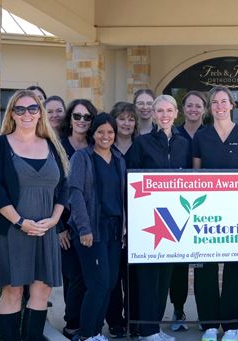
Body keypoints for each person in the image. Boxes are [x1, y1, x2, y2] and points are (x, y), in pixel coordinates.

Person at [0, 89, 69, 341]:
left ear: (40, 113)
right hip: (11, 230)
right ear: (11, 113)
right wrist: (21, 222)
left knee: (41, 291)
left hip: (45, 230)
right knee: (12, 290)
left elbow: (64, 187)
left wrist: (54, 220)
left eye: (32, 108)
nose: (27, 114)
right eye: (19, 109)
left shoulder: (52, 145)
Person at [192, 86, 238, 341]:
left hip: (237, 215)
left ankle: (231, 325)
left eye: (224, 101)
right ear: (210, 108)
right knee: (204, 269)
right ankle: (210, 324)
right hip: (206, 215)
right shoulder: (201, 136)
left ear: (232, 104)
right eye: (215, 103)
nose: (220, 106)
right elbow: (195, 175)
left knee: (235, 270)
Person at [126, 95, 192, 341]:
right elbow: (130, 179)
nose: (164, 115)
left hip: (174, 219)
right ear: (153, 114)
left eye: (169, 110)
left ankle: (154, 328)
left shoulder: (184, 143)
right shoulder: (142, 143)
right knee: (147, 277)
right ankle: (146, 330)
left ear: (176, 113)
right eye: (160, 110)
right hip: (147, 219)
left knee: (165, 276)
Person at [70, 113, 127, 341]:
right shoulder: (82, 158)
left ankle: (96, 333)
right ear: (93, 133)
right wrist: (84, 229)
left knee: (111, 282)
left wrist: (123, 228)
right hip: (91, 231)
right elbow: (75, 194)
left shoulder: (118, 159)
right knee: (98, 284)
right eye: (101, 132)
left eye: (110, 132)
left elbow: (121, 195)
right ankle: (86, 334)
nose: (106, 136)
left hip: (114, 231)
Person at [59, 99, 99, 337]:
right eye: (77, 116)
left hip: (91, 225)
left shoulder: (97, 147)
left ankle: (86, 323)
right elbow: (52, 189)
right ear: (70, 119)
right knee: (74, 276)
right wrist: (59, 227)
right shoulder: (58, 148)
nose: (82, 121)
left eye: (87, 117)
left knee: (88, 277)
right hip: (65, 225)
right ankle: (71, 323)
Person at [170, 90, 208, 331]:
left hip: (204, 206)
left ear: (204, 109)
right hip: (177, 207)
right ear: (183, 110)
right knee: (179, 265)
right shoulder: (174, 134)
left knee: (204, 263)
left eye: (198, 106)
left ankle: (205, 314)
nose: (194, 109)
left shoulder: (211, 134)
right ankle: (178, 309)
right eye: (189, 105)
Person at [106, 101, 138, 338]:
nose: (127, 123)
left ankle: (134, 320)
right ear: (114, 121)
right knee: (113, 277)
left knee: (135, 276)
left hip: (140, 223)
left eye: (131, 119)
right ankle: (115, 321)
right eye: (122, 118)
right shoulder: (104, 148)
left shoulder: (142, 147)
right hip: (112, 222)